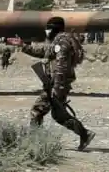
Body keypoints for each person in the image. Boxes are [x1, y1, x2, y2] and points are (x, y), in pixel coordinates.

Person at [25, 17, 95, 151]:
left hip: (56, 84)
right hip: (56, 84)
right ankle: (85, 134)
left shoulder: (62, 42)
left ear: (55, 28)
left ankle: (34, 143)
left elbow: (61, 67)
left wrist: (56, 87)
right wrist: (22, 46)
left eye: (48, 28)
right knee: (58, 115)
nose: (47, 31)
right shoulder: (59, 40)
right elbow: (43, 52)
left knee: (37, 111)